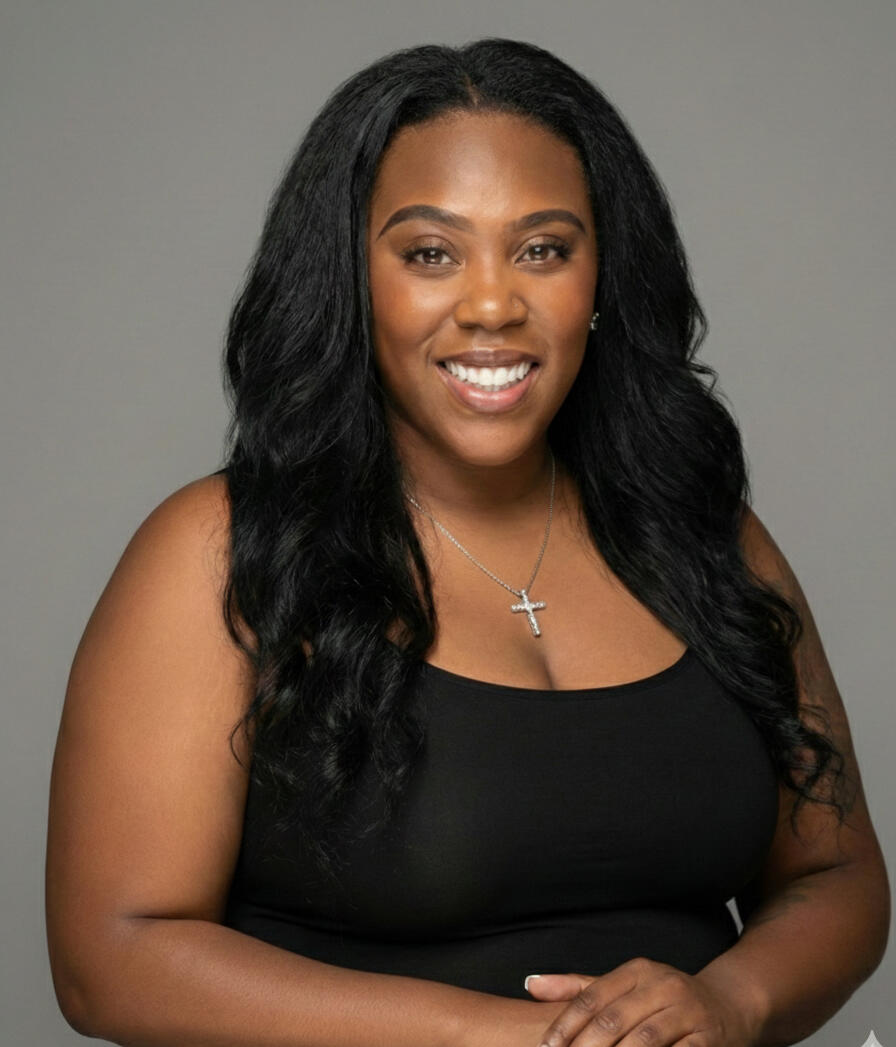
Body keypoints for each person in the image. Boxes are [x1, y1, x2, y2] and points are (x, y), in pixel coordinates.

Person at [46, 38, 888, 1047]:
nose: (492, 305)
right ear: (350, 279)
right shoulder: (221, 552)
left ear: (602, 278)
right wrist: (510, 1038)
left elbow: (837, 875)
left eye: (543, 249)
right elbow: (112, 956)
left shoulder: (707, 535)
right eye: (430, 254)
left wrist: (731, 1002)